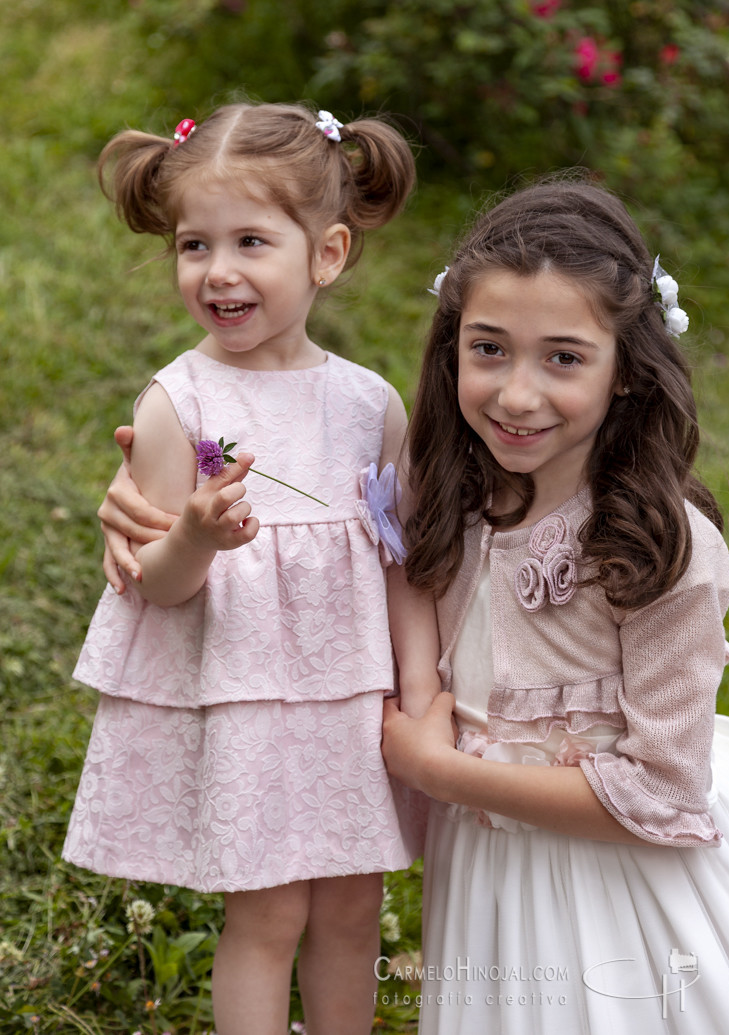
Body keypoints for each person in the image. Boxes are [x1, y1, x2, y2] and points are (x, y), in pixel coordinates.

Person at [378, 177, 729, 1033]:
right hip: (494, 873)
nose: (517, 394)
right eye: (489, 349)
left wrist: (439, 771)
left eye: (563, 357)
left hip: (623, 879)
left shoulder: (658, 548)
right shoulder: (446, 497)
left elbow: (665, 791)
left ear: (627, 375)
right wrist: (145, 494)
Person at [63, 101, 433, 1035]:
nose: (218, 270)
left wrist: (418, 692)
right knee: (267, 911)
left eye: (251, 242)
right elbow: (156, 582)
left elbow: (400, 559)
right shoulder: (177, 404)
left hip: (349, 694)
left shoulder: (368, 403)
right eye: (195, 245)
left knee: (353, 907)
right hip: (248, 693)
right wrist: (196, 535)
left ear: (328, 254)